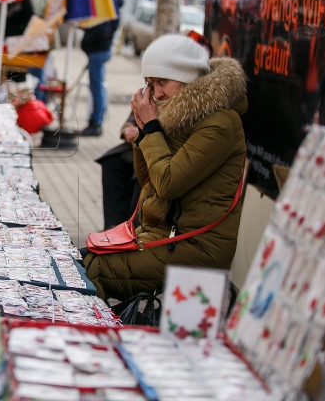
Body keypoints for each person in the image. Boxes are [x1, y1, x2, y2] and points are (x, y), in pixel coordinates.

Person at [84, 35, 247, 301]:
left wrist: (150, 129)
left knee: (93, 271)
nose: (157, 93)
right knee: (83, 258)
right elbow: (148, 180)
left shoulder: (220, 123)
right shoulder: (176, 114)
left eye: (163, 82)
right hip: (164, 235)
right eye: (150, 84)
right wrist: (142, 131)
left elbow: (168, 184)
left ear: (187, 79)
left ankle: (97, 336)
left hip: (196, 246)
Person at [79, 0, 123, 136]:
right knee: (98, 86)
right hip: (100, 50)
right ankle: (97, 120)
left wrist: (87, 39)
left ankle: (96, 121)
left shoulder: (108, 9)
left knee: (97, 87)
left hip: (98, 51)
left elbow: (102, 31)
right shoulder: (112, 8)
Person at [95, 112, 141, 229]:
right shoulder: (148, 93)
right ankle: (114, 225)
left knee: (142, 173)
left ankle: (133, 228)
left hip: (161, 150)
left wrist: (143, 134)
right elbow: (133, 114)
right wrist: (128, 129)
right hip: (139, 146)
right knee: (112, 162)